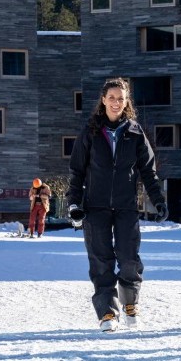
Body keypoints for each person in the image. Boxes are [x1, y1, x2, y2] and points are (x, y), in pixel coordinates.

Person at [67, 78, 169, 333]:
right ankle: (107, 312)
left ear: (126, 102)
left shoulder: (135, 133)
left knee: (129, 258)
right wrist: (74, 204)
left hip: (126, 207)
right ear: (103, 100)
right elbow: (77, 171)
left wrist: (157, 200)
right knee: (101, 261)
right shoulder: (90, 132)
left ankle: (130, 304)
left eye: (121, 98)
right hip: (95, 207)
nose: (116, 102)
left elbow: (148, 172)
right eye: (111, 98)